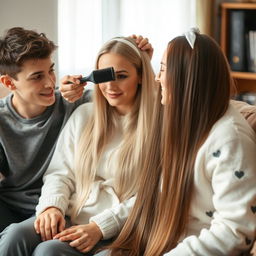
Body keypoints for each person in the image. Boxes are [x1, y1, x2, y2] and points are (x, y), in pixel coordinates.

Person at [96, 29, 256, 256]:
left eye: (162, 69)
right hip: (162, 241)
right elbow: (158, 194)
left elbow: (234, 231)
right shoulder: (187, 124)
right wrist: (101, 225)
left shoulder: (231, 139)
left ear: (187, 76)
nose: (157, 78)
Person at [0, 35, 157, 256]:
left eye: (121, 76)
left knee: (48, 251)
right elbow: (60, 173)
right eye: (37, 76)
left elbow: (166, 95)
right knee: (15, 237)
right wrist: (51, 206)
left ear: (141, 76)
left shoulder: (159, 123)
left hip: (116, 221)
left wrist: (145, 62)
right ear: (9, 83)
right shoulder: (84, 113)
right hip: (64, 208)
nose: (110, 86)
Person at [0, 27, 91, 232]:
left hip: (58, 205)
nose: (50, 82)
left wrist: (137, 59)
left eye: (51, 70)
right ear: (9, 82)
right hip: (9, 205)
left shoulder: (72, 102)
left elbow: (121, 98)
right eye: (37, 76)